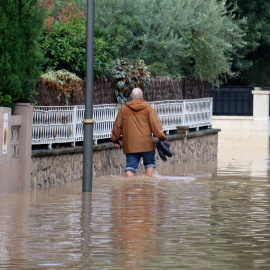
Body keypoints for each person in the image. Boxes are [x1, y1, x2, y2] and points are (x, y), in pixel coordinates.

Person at [111, 88, 166, 177]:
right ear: (142, 96)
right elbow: (155, 123)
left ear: (131, 96)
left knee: (130, 167)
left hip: (131, 144)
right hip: (147, 143)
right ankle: (149, 187)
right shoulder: (148, 108)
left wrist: (115, 139)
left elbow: (117, 125)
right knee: (150, 164)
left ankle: (128, 188)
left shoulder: (124, 109)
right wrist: (161, 137)